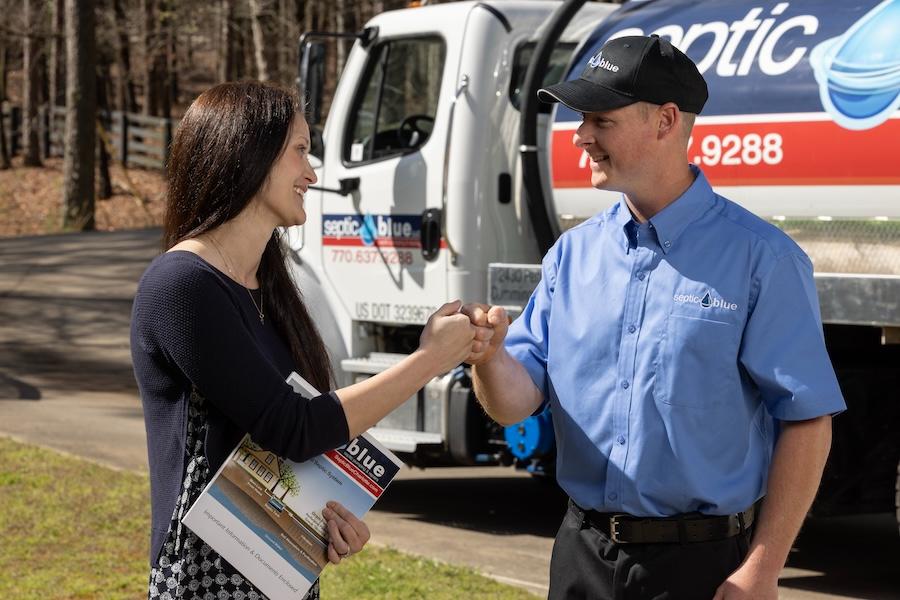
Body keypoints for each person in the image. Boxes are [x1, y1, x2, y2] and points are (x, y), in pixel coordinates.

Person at [463, 35, 846, 600]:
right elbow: (516, 401)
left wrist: (761, 571)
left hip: (704, 569)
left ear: (666, 120)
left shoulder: (762, 259)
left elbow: (807, 421)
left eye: (601, 118)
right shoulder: (571, 255)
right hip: (580, 555)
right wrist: (487, 356)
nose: (581, 135)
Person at [130, 81, 488, 600]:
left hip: (276, 569)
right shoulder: (181, 285)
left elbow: (291, 436)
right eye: (300, 151)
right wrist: (430, 359)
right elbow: (294, 427)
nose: (313, 174)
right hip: (207, 576)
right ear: (247, 153)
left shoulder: (266, 285)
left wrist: (327, 516)